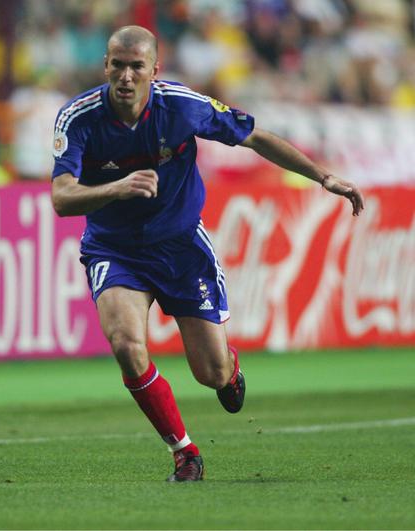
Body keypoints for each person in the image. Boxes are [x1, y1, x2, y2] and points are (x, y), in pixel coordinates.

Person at [50, 25, 364, 482]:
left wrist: (323, 177)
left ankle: (229, 369)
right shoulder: (78, 117)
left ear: (153, 71)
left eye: (136, 66)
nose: (125, 76)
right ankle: (184, 450)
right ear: (105, 67)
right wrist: (119, 187)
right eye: (116, 65)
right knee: (126, 344)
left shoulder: (181, 106)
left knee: (211, 374)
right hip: (114, 250)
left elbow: (254, 136)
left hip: (180, 247)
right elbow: (61, 198)